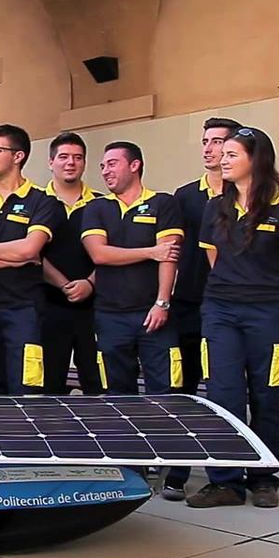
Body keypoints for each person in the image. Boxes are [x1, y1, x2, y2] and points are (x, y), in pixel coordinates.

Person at [187, 127, 279, 509]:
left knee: (266, 396)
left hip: (271, 314)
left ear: (255, 159)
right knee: (222, 396)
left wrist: (278, 295)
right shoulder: (216, 206)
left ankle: (263, 479)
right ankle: (225, 482)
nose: (222, 159)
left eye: (231, 154)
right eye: (221, 152)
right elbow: (214, 256)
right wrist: (235, 288)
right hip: (222, 312)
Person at [163, 117, 242, 501]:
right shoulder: (185, 196)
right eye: (206, 141)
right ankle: (177, 472)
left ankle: (232, 473)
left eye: (219, 142)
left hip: (231, 307)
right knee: (185, 390)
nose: (210, 149)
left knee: (225, 392)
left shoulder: (249, 196)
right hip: (189, 305)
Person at [0, 125, 62, 395]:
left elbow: (30, 249)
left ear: (18, 156)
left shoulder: (42, 201)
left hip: (24, 310)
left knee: (26, 389)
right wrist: (15, 258)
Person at [81, 142, 183, 395]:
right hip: (110, 316)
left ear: (135, 165)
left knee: (165, 391)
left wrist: (162, 303)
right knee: (117, 393)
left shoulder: (163, 203)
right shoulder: (96, 207)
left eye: (112, 164)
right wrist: (150, 252)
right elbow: (99, 254)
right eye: (102, 166)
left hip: (154, 313)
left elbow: (168, 256)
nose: (105, 171)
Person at [41, 133, 104, 396]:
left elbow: (110, 252)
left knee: (97, 383)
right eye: (64, 157)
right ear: (51, 162)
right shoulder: (37, 202)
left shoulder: (101, 203)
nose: (71, 163)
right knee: (50, 385)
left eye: (78, 158)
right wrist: (64, 284)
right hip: (48, 305)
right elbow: (32, 253)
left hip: (93, 307)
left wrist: (89, 283)